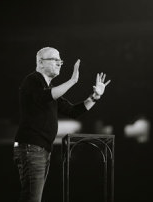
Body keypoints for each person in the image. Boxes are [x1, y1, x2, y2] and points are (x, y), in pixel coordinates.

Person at [13, 47, 111, 202]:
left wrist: (95, 97)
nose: (59, 63)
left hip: (41, 150)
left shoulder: (51, 89)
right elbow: (43, 97)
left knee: (31, 198)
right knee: (32, 198)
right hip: (31, 148)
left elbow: (73, 111)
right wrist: (72, 81)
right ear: (40, 62)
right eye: (55, 60)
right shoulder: (32, 80)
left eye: (60, 60)